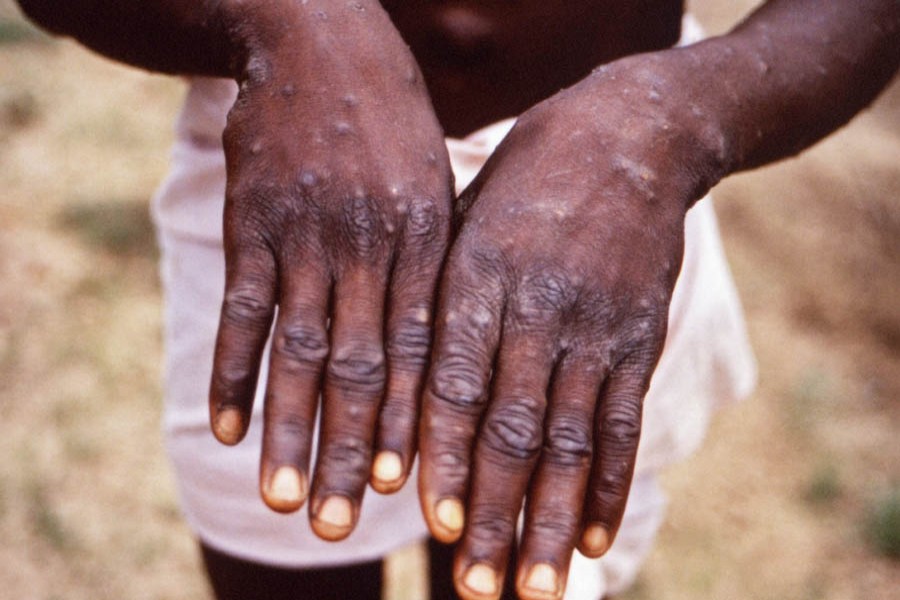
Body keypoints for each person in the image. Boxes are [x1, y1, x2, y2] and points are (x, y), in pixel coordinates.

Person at [15, 1, 898, 599]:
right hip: (300, 146)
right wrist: (285, 19)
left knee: (520, 566)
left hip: (603, 197)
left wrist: (669, 124)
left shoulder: (643, 149)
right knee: (280, 559)